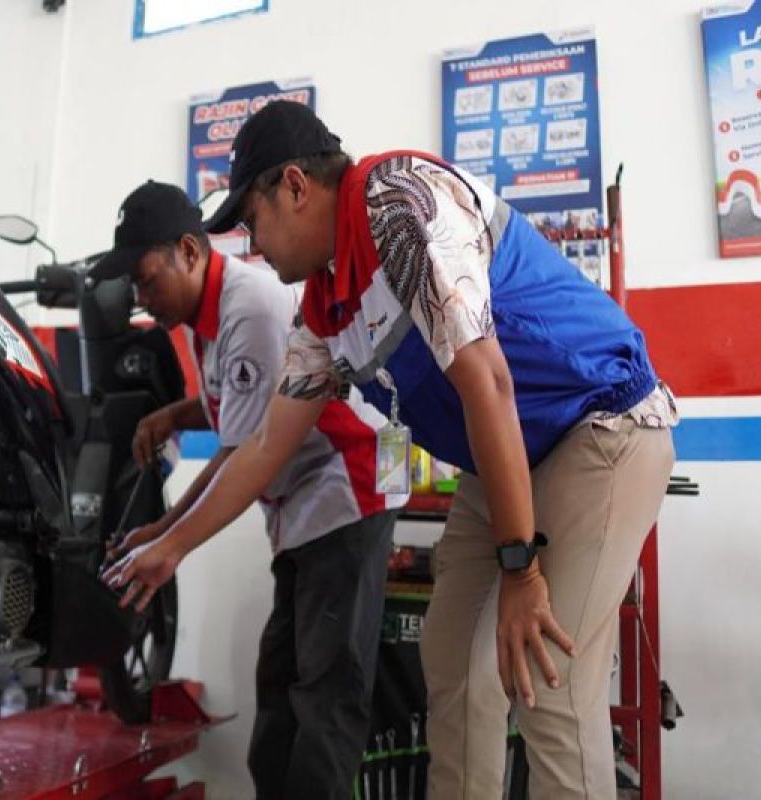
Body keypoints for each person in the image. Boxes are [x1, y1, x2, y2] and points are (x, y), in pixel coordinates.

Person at [105, 102, 677, 799]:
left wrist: (521, 573)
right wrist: (173, 545)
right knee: (454, 661)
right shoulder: (323, 305)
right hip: (512, 455)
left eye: (251, 221)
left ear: (294, 185)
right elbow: (262, 447)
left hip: (601, 425)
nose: (252, 245)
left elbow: (488, 380)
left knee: (549, 680)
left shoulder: (400, 204)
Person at [93, 179, 404, 799]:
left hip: (351, 486)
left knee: (325, 699)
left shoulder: (251, 306)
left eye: (147, 278)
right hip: (301, 506)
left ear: (188, 250)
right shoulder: (199, 314)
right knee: (281, 699)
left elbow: (243, 454)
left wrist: (168, 537)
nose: (141, 296)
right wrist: (175, 417)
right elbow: (237, 406)